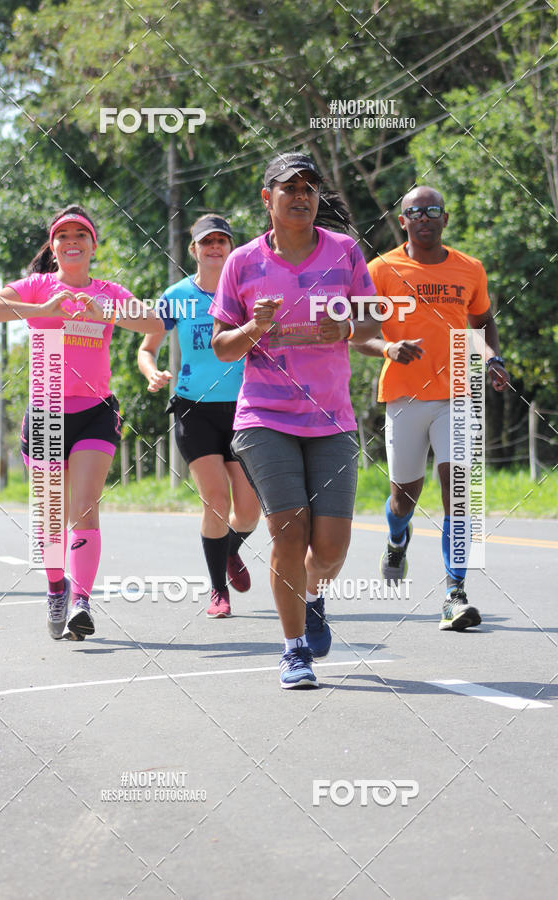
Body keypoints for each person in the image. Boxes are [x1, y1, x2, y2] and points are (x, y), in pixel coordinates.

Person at [210, 152, 380, 689]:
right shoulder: (242, 262)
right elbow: (221, 348)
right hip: (264, 416)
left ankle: (313, 594)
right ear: (269, 199)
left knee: (330, 548)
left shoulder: (346, 252)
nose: (301, 195)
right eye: (290, 188)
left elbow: (372, 318)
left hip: (332, 418)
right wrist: (251, 332)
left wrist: (347, 330)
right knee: (288, 529)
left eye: (309, 187)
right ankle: (293, 649)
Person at [0, 205, 162, 639]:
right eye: (64, 235)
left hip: (96, 411)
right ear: (54, 246)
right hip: (44, 412)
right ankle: (56, 587)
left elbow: (155, 322)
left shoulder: (109, 292)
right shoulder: (38, 286)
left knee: (84, 507)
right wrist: (45, 307)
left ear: (93, 245)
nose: (72, 241)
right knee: (49, 516)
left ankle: (81, 601)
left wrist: (108, 314)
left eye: (82, 234)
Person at [356, 185, 509, 631]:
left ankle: (454, 592)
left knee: (458, 495)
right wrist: (387, 348)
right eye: (414, 212)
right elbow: (359, 333)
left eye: (432, 210)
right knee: (404, 497)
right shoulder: (381, 269)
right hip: (403, 397)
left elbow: (481, 322)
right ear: (402, 221)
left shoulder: (469, 269)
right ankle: (397, 537)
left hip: (457, 393)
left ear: (445, 218)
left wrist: (491, 358)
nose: (424, 217)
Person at [137, 215, 260, 617]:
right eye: (206, 242)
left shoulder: (246, 292)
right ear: (194, 250)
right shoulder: (177, 296)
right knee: (216, 502)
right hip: (193, 408)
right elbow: (147, 347)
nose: (214, 247)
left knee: (249, 509)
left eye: (222, 241)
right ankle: (217, 590)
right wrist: (152, 371)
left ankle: (228, 551)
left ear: (231, 248)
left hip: (243, 408)